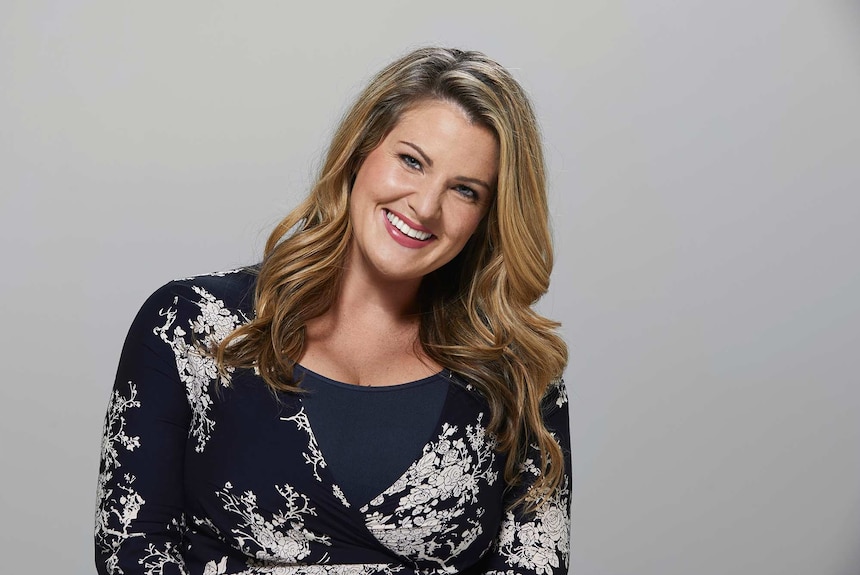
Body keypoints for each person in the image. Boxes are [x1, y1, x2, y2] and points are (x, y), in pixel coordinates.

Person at [95, 46, 571, 575]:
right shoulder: (191, 325)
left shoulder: (518, 375)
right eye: (411, 161)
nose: (426, 205)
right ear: (359, 153)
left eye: (464, 190)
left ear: (488, 216)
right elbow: (130, 549)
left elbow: (535, 565)